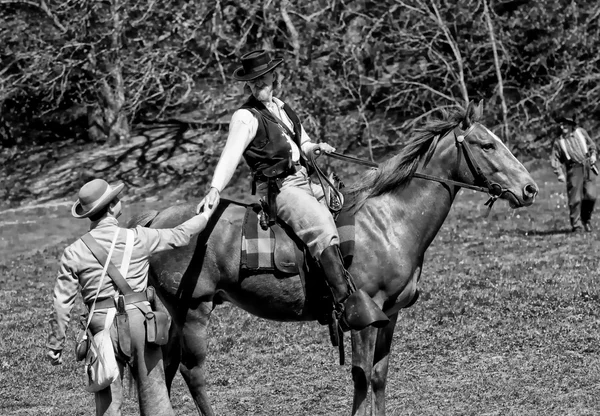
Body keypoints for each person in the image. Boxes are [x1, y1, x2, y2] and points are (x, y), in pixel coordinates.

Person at [196, 49, 388, 331]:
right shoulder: (245, 117)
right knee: (321, 226)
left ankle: (359, 278)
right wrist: (215, 187)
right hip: (280, 188)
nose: (258, 86)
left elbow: (303, 145)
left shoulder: (284, 109)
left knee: (348, 204)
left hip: (305, 178)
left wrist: (315, 148)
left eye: (262, 79)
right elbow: (230, 155)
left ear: (274, 76)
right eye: (253, 82)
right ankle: (343, 305)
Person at [46, 178, 215, 416]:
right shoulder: (138, 237)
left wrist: (56, 344)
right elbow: (180, 235)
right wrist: (205, 216)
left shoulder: (74, 252)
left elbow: (61, 303)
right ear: (114, 206)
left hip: (100, 327)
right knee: (156, 403)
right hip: (140, 323)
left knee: (108, 408)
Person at [550, 116, 597, 232]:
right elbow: (555, 159)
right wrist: (559, 173)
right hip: (573, 169)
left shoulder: (581, 132)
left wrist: (593, 155)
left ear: (571, 125)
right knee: (575, 199)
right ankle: (576, 225)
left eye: (565, 124)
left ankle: (586, 219)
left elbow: (592, 146)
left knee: (591, 195)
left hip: (587, 166)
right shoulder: (559, 141)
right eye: (561, 125)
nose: (562, 127)